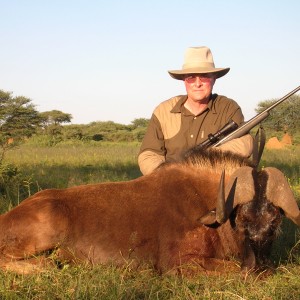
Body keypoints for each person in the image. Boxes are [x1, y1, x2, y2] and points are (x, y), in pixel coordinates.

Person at [138, 46, 253, 175]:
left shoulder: (228, 108)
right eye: (191, 77)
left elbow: (244, 143)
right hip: (171, 185)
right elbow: (148, 155)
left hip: (213, 184)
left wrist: (204, 157)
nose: (197, 83)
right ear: (184, 80)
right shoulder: (163, 111)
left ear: (214, 79)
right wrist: (168, 175)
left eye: (204, 77)